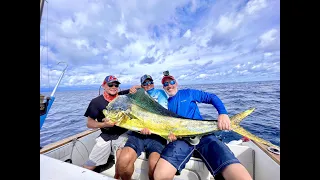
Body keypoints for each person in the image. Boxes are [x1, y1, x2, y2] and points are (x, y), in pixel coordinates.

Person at [153, 72, 252, 180]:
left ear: (176, 83)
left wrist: (223, 113)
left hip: (204, 136)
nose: (169, 85)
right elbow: (168, 127)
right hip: (181, 140)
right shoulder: (166, 104)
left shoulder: (188, 93)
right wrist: (169, 136)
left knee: (238, 174)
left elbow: (211, 97)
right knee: (159, 175)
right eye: (166, 84)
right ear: (163, 87)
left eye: (171, 82)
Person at [82, 75, 139, 178]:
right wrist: (104, 124)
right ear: (103, 85)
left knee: (121, 164)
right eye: (110, 84)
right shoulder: (96, 102)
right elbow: (89, 123)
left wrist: (137, 86)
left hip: (123, 134)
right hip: (106, 135)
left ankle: (117, 175)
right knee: (89, 165)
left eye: (116, 84)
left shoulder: (122, 96)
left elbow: (136, 89)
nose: (114, 87)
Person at [116, 74, 168, 180]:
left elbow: (163, 114)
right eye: (145, 83)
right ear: (142, 85)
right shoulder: (136, 95)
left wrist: (150, 127)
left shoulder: (160, 93)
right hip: (137, 134)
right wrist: (136, 88)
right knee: (122, 163)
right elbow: (120, 96)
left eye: (150, 82)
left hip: (156, 135)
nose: (148, 84)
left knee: (154, 167)